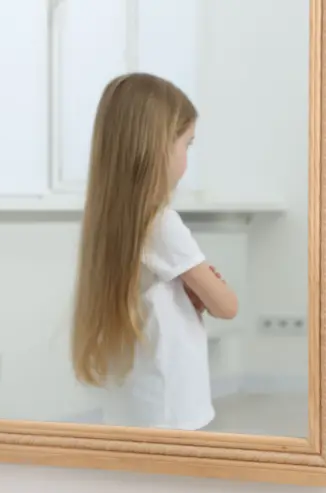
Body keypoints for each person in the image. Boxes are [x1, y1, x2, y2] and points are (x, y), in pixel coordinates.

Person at [70, 72, 238, 432]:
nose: (187, 159)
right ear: (160, 148)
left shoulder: (110, 225)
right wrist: (208, 287)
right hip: (171, 407)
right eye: (187, 145)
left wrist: (192, 289)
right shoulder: (162, 225)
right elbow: (226, 306)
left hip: (133, 404)